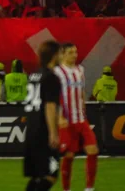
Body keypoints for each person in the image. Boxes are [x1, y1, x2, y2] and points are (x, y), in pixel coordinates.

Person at [58, 43, 99, 191]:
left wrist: (84, 109)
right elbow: (52, 97)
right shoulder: (57, 72)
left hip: (81, 119)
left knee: (93, 150)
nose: (74, 55)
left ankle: (89, 188)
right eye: (70, 52)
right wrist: (59, 117)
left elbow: (81, 92)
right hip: (66, 121)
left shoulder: (80, 70)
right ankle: (66, 189)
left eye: (76, 52)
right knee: (69, 156)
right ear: (62, 54)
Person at [22, 40, 62, 191]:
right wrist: (53, 132)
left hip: (32, 129)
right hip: (43, 130)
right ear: (54, 55)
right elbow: (50, 106)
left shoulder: (34, 75)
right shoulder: (51, 77)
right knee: (50, 175)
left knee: (37, 176)